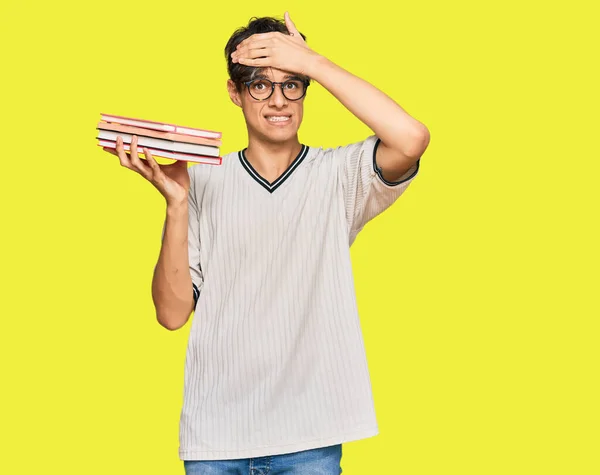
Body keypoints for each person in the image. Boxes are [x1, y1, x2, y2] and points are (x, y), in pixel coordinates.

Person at [104, 12, 429, 475]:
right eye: (259, 84)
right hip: (215, 441)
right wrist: (176, 204)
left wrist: (312, 60)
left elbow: (412, 137)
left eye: (292, 83)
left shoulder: (337, 177)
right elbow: (172, 315)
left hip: (310, 440)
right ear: (235, 92)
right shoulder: (202, 183)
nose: (278, 100)